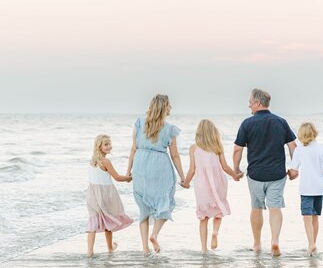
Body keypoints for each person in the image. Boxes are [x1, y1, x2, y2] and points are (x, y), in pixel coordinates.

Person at [233, 88, 297, 256]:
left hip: (255, 175)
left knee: (256, 207)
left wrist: (236, 169)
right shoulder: (281, 122)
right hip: (277, 174)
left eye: (250, 102)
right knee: (275, 208)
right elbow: (293, 147)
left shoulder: (247, 124)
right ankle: (275, 240)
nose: (249, 106)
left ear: (258, 103)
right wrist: (295, 168)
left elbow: (237, 150)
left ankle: (256, 244)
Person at [126, 94, 185, 254]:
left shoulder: (139, 124)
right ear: (164, 107)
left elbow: (133, 149)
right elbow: (175, 156)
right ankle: (155, 234)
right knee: (165, 203)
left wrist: (128, 171)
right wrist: (183, 177)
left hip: (141, 165)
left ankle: (145, 248)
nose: (171, 108)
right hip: (161, 166)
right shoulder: (170, 129)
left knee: (143, 208)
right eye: (169, 105)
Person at [181, 119, 243, 253]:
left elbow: (192, 170)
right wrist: (234, 176)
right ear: (213, 132)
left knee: (203, 217)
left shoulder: (194, 148)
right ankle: (215, 232)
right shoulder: (217, 146)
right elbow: (225, 167)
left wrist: (186, 183)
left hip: (202, 185)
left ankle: (204, 248)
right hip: (218, 181)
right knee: (219, 209)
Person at [287, 122, 323, 255]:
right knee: (315, 217)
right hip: (320, 189)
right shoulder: (322, 149)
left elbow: (294, 172)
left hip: (306, 189)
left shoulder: (299, 150)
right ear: (314, 132)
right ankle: (313, 244)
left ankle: (311, 244)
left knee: (306, 217)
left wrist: (288, 174)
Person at [87, 134, 133, 257]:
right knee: (108, 219)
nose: (109, 146)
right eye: (106, 144)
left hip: (92, 195)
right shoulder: (106, 162)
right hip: (105, 194)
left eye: (109, 144)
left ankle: (90, 251)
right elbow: (117, 178)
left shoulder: (92, 161)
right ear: (99, 146)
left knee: (94, 221)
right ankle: (109, 248)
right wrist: (130, 178)